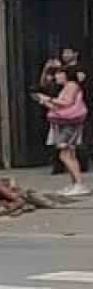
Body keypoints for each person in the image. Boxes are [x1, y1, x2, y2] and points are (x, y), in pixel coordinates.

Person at [34, 66, 88, 197]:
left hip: (70, 124)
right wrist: (43, 100)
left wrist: (48, 99)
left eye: (58, 74)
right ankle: (76, 184)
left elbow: (66, 103)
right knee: (70, 154)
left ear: (66, 75)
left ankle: (80, 184)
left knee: (64, 155)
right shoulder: (68, 87)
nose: (55, 77)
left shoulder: (71, 85)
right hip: (67, 123)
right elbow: (59, 106)